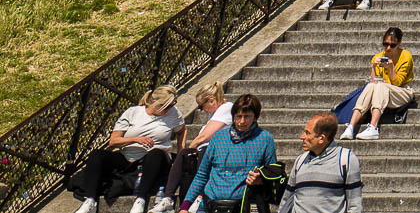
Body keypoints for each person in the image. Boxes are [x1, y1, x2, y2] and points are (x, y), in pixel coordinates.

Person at [67, 85, 183, 213]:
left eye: (170, 106)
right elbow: (114, 141)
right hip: (128, 156)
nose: (168, 110)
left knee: (155, 154)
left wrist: (180, 155)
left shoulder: (173, 114)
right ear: (154, 102)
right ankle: (90, 200)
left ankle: (141, 199)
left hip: (155, 158)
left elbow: (182, 131)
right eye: (165, 107)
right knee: (97, 155)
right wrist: (135, 139)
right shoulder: (133, 112)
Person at [184, 92, 278, 213]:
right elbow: (202, 174)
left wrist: (261, 179)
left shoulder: (265, 139)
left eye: (247, 116)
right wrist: (185, 206)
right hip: (211, 202)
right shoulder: (218, 137)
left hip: (245, 204)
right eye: (238, 116)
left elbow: (273, 173)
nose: (242, 121)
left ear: (255, 117)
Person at [275, 115, 362, 213]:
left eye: (307, 133)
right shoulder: (300, 160)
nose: (302, 137)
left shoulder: (346, 159)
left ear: (321, 138)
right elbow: (286, 199)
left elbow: (354, 205)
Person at [346, 26, 414, 140]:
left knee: (381, 86)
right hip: (381, 92)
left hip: (402, 92)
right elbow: (373, 81)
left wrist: (391, 67)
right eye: (385, 44)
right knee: (372, 85)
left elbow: (397, 83)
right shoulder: (378, 57)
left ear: (399, 44)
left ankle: (373, 127)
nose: (388, 48)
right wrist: (373, 67)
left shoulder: (405, 56)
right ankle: (351, 126)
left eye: (392, 45)